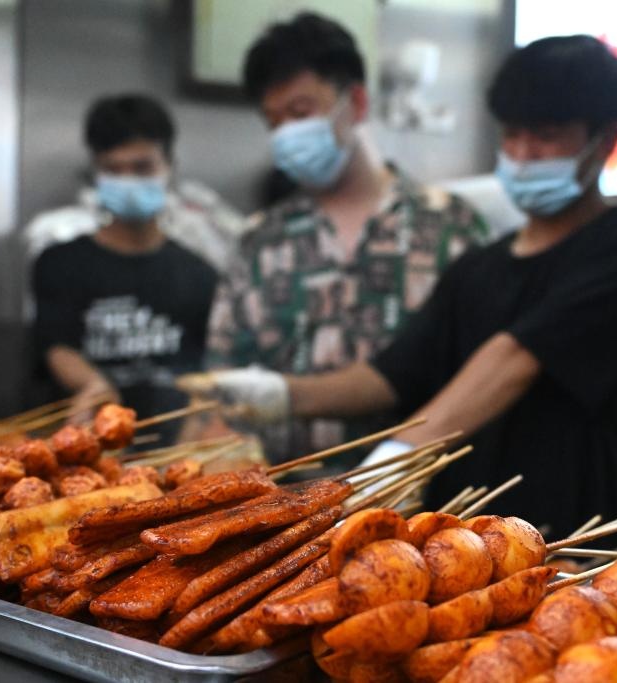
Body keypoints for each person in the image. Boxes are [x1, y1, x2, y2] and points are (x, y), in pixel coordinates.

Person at [192, 35, 617, 536]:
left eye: (546, 137)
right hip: (464, 545)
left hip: (580, 544)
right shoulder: (478, 268)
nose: (522, 154)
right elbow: (388, 377)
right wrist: (280, 395)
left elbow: (515, 357)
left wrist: (400, 454)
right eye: (511, 135)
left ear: (603, 140)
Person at [201, 13, 488, 464]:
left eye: (300, 113)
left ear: (355, 103)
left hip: (425, 493)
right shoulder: (259, 242)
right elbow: (218, 390)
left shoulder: (450, 228)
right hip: (284, 497)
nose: (286, 134)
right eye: (273, 122)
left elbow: (484, 377)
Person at [31, 94, 222, 437]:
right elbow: (57, 346)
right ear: (96, 172)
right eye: (113, 170)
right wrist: (93, 385)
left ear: (169, 165)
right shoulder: (59, 264)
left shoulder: (200, 274)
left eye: (142, 167)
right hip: (85, 444)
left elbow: (209, 369)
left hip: (175, 446)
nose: (128, 181)